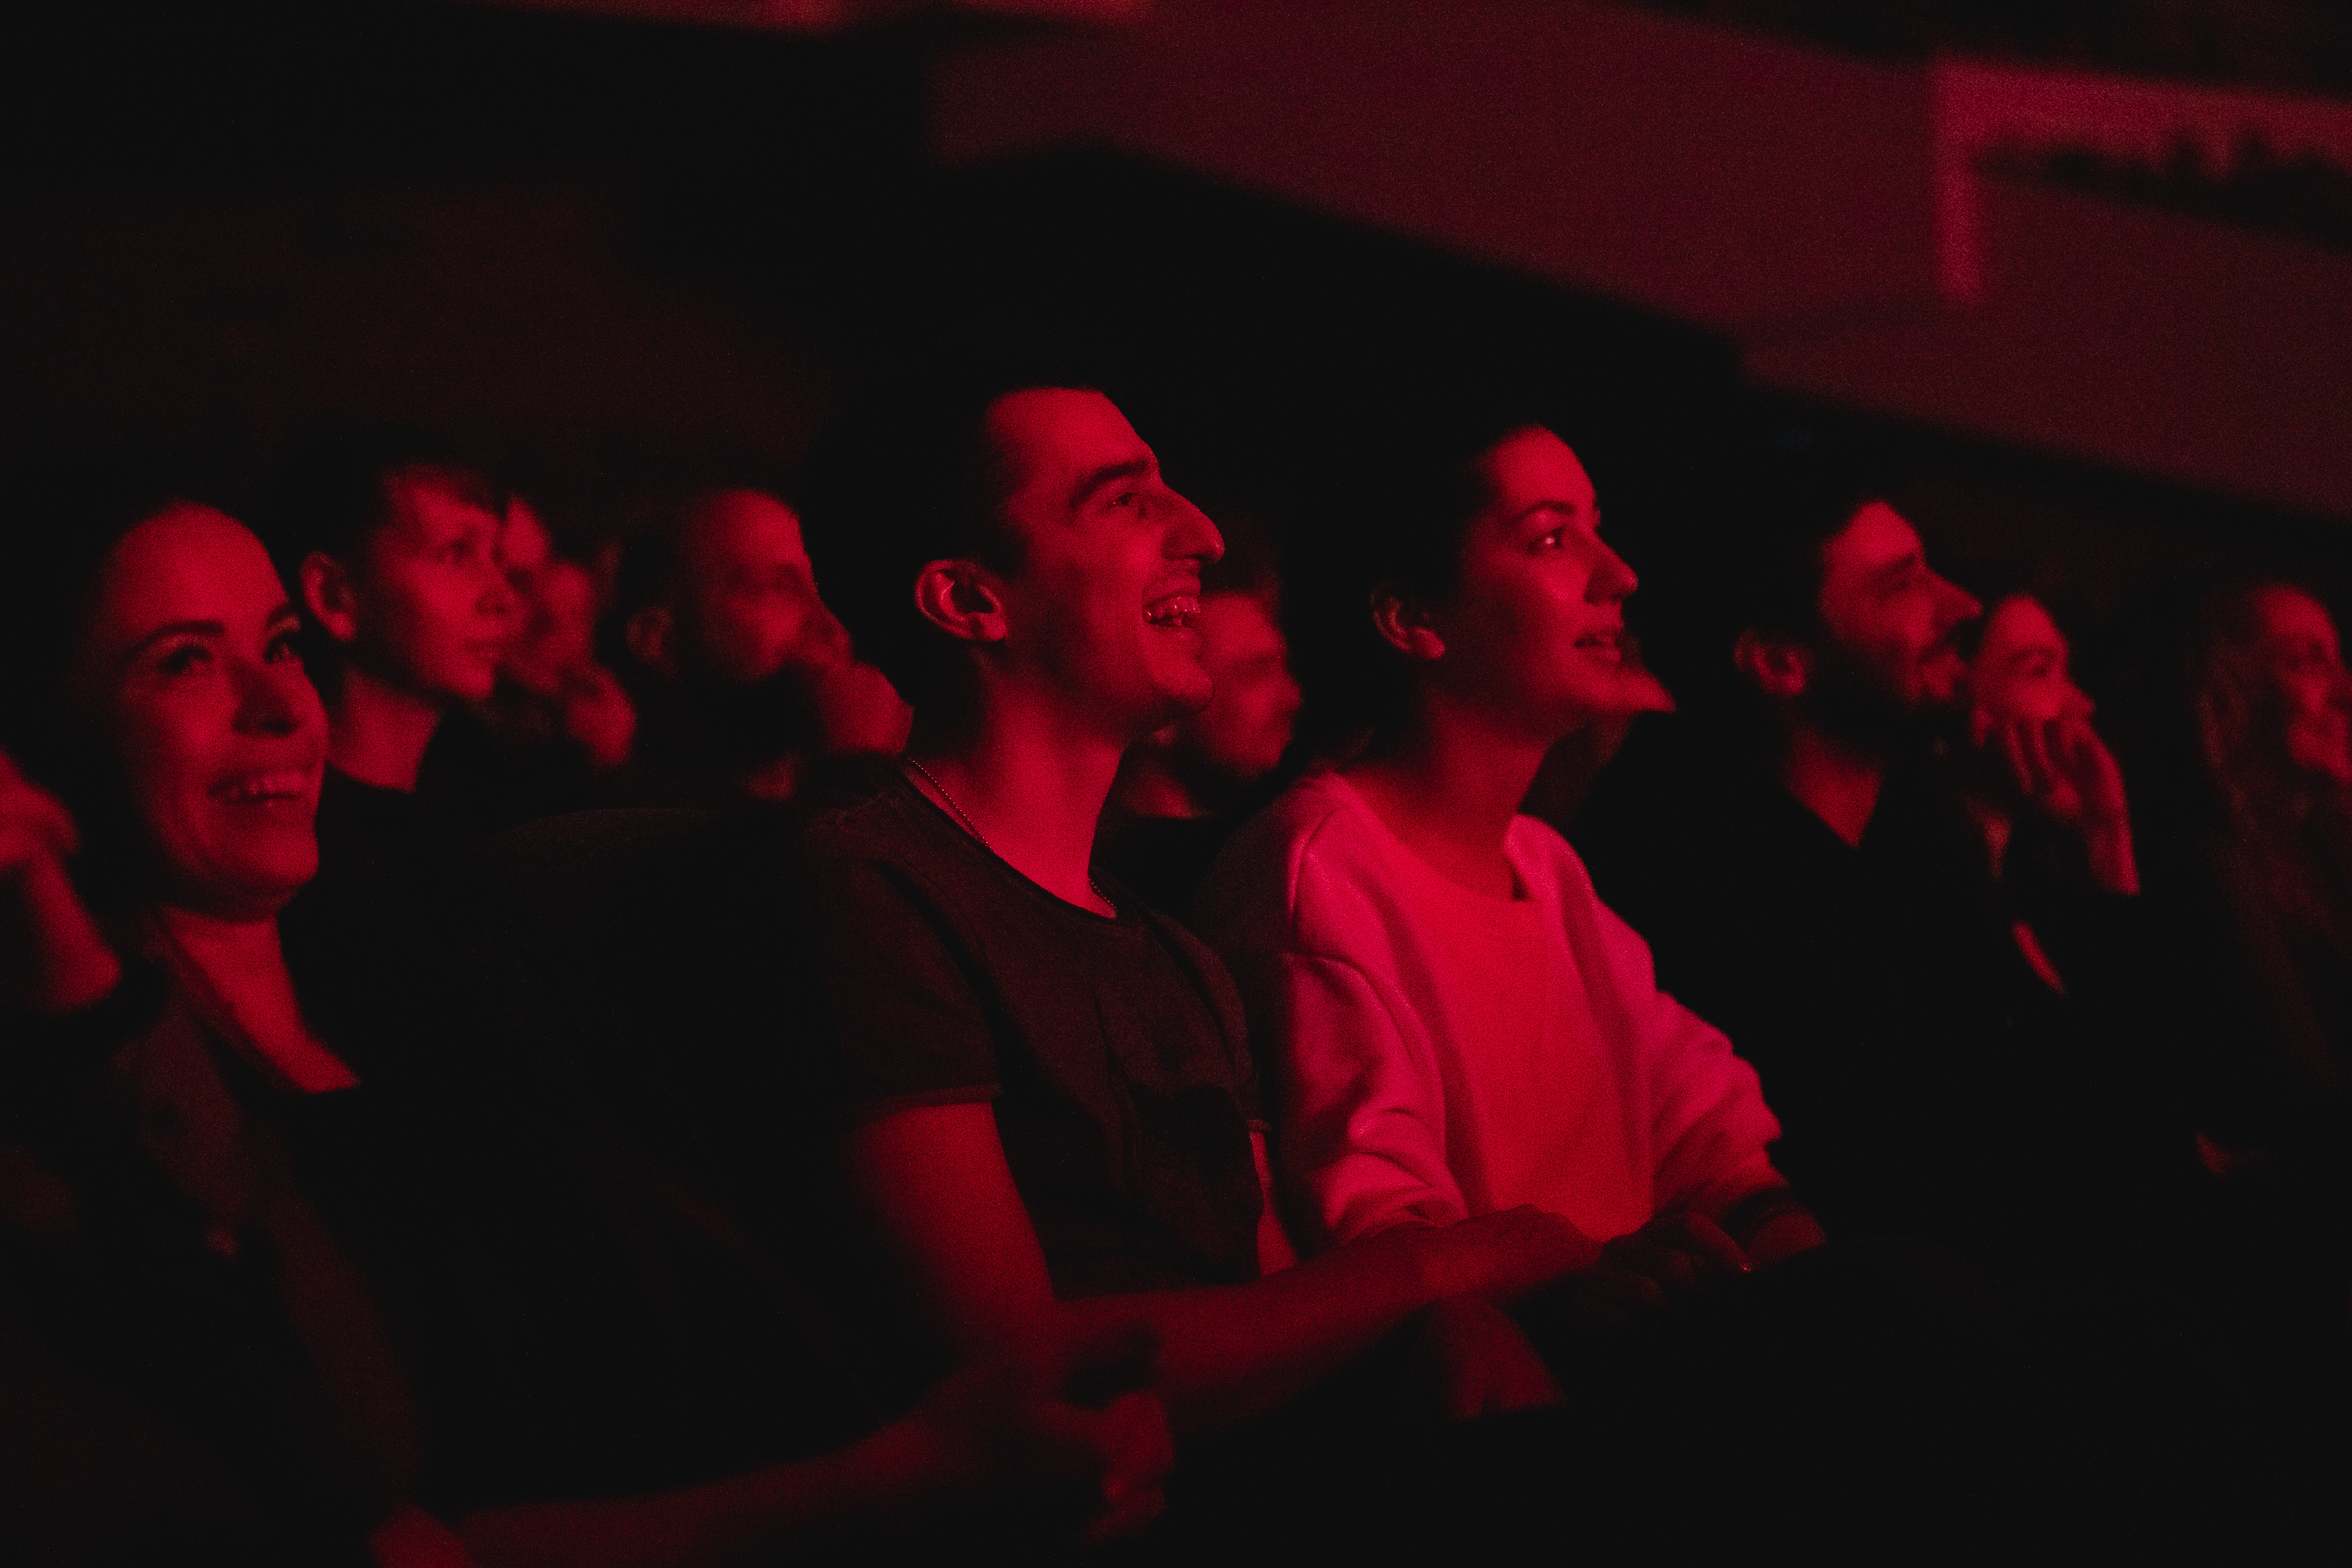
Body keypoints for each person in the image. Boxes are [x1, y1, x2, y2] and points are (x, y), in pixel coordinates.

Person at [0, 479, 1173, 1563]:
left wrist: (991, 1418)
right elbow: (388, 1532)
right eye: (181, 665)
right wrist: (900, 1482)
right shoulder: (107, 1131)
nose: (276, 707)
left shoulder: (454, 947)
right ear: (42, 751)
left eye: (278, 648)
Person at [787, 376, 1594, 1491]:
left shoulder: (1175, 956)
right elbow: (1017, 1367)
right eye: (1124, 503)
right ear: (970, 599)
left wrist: (1445, 1325)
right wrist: (1441, 1266)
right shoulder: (873, 891)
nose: (1202, 535)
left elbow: (1274, 1314)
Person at [1193, 409, 1820, 1412]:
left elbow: (1703, 1126)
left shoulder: (1547, 865)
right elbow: (1381, 1236)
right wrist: (1583, 1294)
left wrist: (1799, 1265)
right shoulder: (1319, 869)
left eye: (1598, 527)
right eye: (1551, 537)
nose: (1617, 573)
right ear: (1410, 619)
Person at [612, 486, 908, 806]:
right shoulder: (629, 817)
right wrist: (858, 769)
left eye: (823, 589)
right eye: (777, 588)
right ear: (657, 640)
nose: (831, 624)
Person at [1098, 514, 1302, 915]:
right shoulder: (1146, 889)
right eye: (1254, 674)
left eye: (1283, 668)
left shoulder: (1264, 837)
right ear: (1161, 715)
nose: (1292, 698)